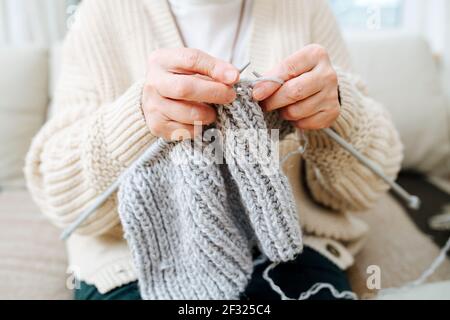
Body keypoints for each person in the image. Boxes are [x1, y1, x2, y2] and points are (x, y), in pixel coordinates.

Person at [25, 0, 403, 300]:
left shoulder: (303, 7)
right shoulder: (102, 13)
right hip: (139, 259)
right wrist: (136, 120)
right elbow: (63, 196)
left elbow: (368, 186)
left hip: (290, 251)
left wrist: (337, 111)